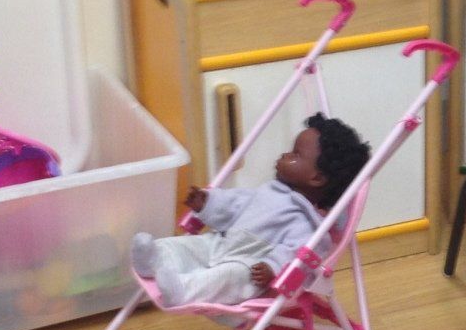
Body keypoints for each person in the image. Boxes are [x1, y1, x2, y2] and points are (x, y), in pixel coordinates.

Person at [131, 115, 371, 308]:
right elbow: (236, 203)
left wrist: (273, 267)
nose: (285, 155)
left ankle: (183, 290)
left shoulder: (305, 222)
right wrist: (207, 203)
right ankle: (154, 258)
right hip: (221, 243)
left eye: (296, 155)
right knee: (189, 245)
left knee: (228, 276)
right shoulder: (270, 191)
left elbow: (294, 253)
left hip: (250, 265)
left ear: (316, 178)